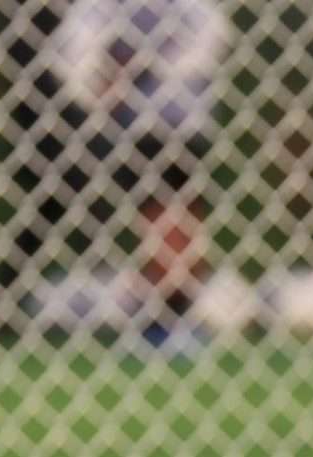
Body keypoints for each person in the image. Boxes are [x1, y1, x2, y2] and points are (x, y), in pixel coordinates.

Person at [50, 0, 231, 353]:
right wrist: (100, 82)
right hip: (131, 127)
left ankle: (174, 314)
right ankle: (160, 314)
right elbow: (73, 52)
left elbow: (211, 39)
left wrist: (141, 65)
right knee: (155, 221)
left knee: (176, 221)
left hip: (181, 123)